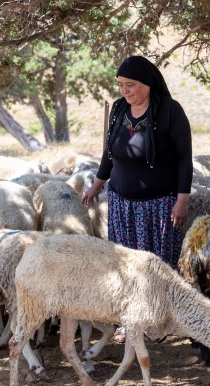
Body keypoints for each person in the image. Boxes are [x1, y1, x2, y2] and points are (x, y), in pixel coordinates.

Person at [82, 55, 193, 270]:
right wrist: (96, 186)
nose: (125, 91)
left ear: (147, 83)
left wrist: (182, 201)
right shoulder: (119, 108)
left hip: (158, 208)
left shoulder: (170, 110)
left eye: (130, 85)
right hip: (120, 207)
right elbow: (110, 151)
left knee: (159, 269)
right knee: (126, 268)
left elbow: (184, 158)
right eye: (121, 85)